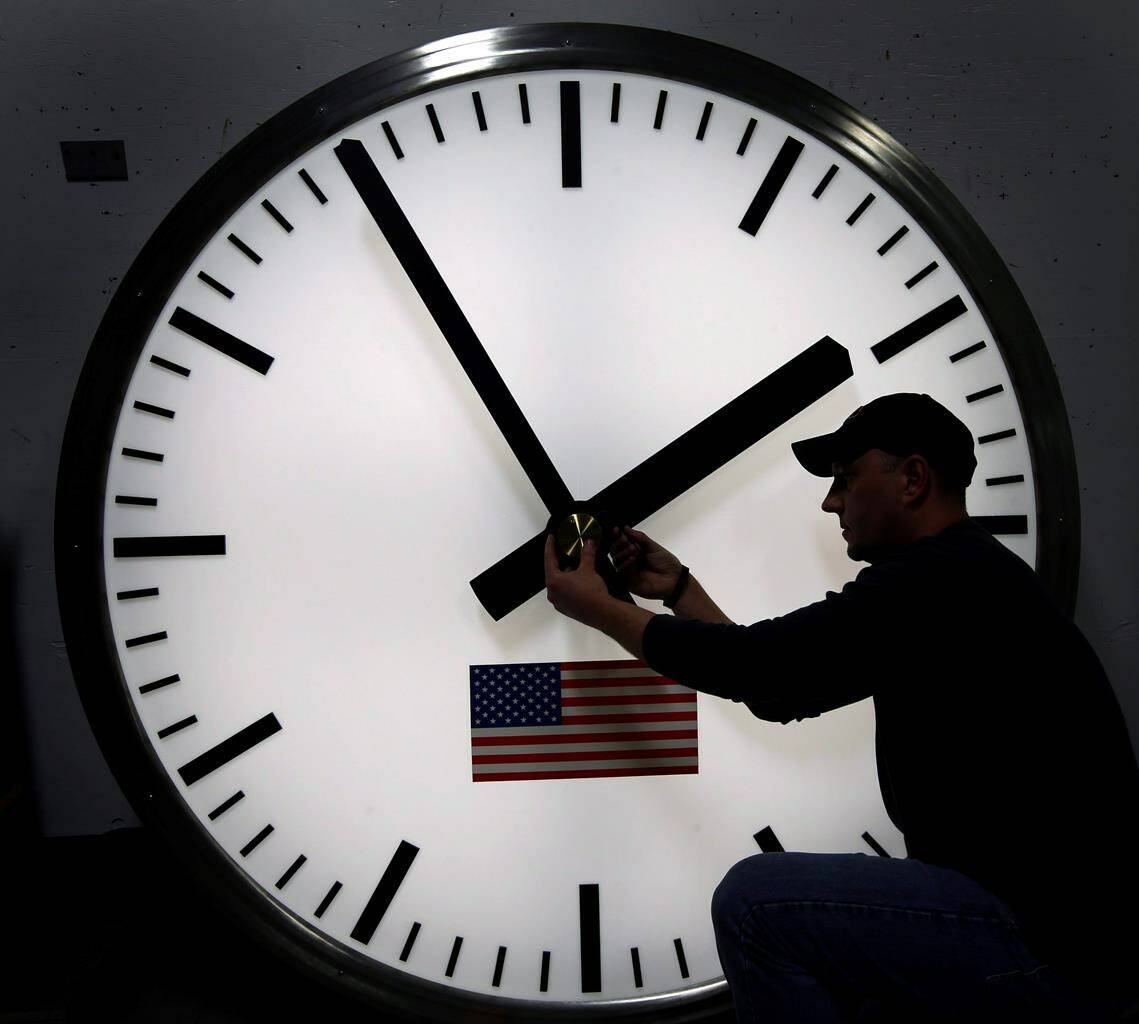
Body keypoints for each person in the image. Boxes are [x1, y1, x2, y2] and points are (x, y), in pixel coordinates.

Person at [543, 392, 1139, 1023]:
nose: (831, 503)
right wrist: (680, 592)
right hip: (1060, 938)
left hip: (1045, 946)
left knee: (756, 905)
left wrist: (598, 607)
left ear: (912, 479)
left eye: (847, 480)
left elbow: (764, 670)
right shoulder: (962, 577)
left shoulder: (935, 583)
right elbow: (781, 686)